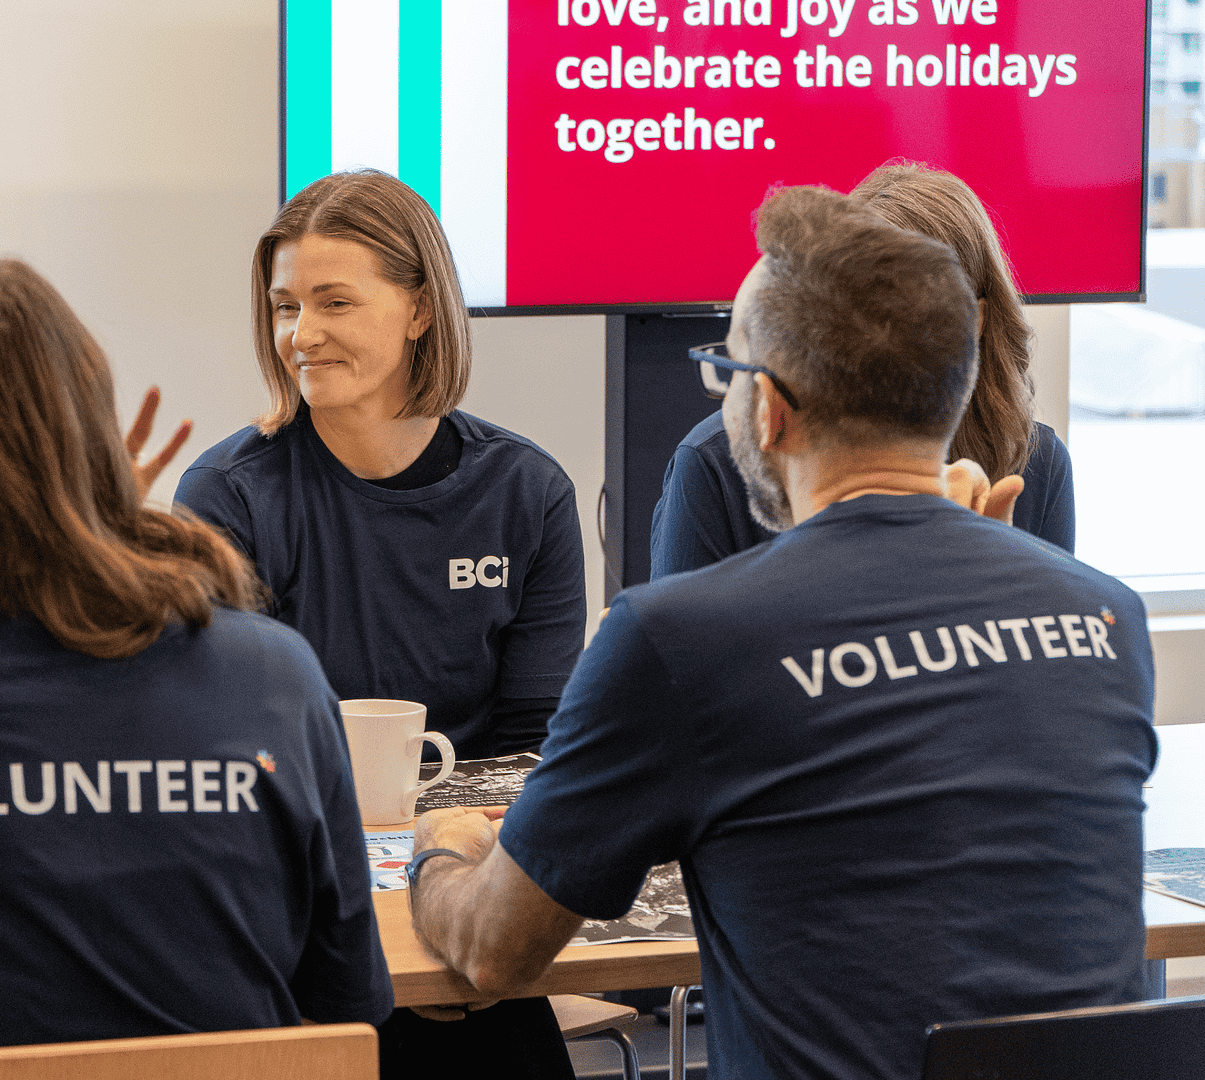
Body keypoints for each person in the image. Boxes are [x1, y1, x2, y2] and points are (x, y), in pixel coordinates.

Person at [405, 186, 1156, 1080]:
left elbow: (495, 953)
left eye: (727, 372)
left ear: (768, 410)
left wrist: (441, 850)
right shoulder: (1109, 617)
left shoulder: (677, 637)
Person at [0, 254, 391, 1080]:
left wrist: (67, 539)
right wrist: (98, 532)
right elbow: (341, 998)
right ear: (90, 432)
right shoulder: (273, 670)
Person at [174, 170, 586, 1078]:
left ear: (418, 311)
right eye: (285, 306)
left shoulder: (528, 491)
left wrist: (450, 903)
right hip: (289, 907)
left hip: (465, 880)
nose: (300, 335)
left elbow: (535, 751)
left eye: (333, 302)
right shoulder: (230, 493)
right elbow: (220, 755)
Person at [650, 160, 1075, 578]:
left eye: (910, 310)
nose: (876, 332)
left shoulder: (1036, 462)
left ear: (974, 321)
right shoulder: (716, 463)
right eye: (855, 303)